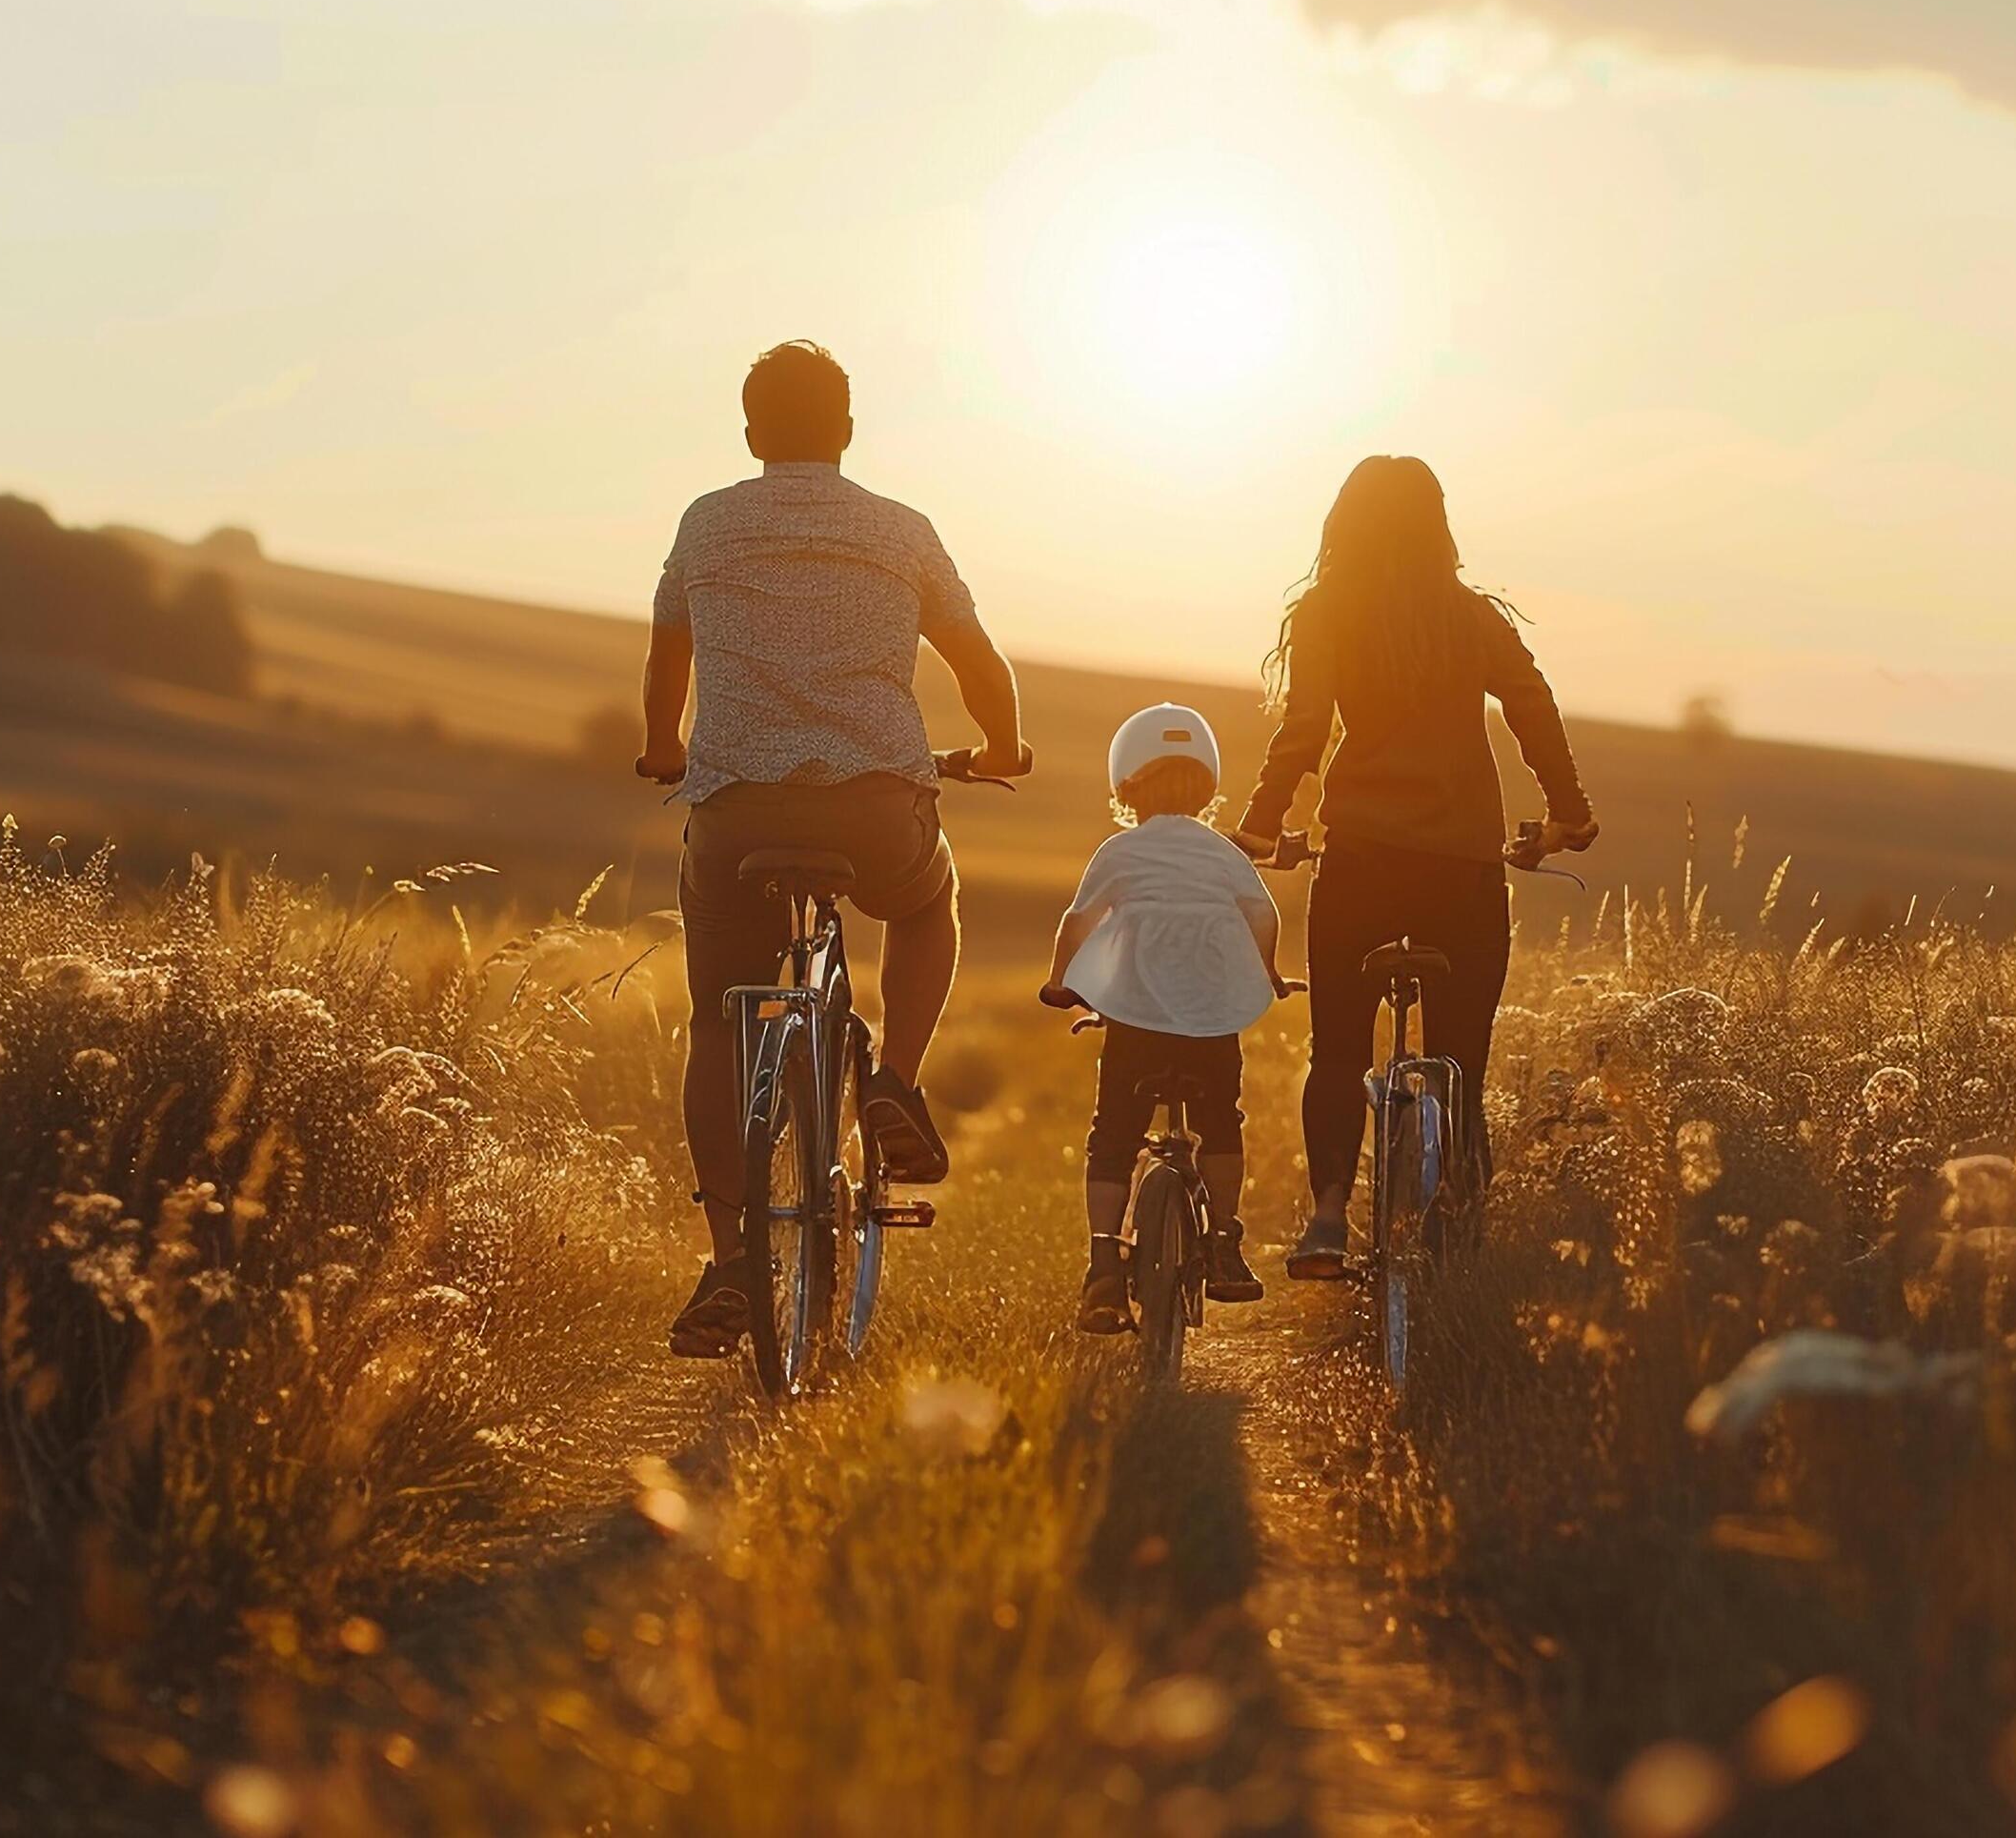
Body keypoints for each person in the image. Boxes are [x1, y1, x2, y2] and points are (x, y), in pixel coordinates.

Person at [638, 340, 1031, 1357]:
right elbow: (980, 661)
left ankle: (730, 1260)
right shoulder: (899, 531)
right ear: (847, 431)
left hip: (739, 819)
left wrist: (659, 746)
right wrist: (1000, 746)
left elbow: (667, 652)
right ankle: (895, 1081)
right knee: (925, 904)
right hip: (874, 809)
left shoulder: (708, 521)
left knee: (719, 1028)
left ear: (752, 432)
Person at [1225, 456, 1595, 1279]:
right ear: (1439, 527)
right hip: (1461, 869)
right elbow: (1532, 700)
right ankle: (1459, 1234)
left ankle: (1326, 1220)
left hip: (1360, 861)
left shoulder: (1328, 612)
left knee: (1338, 1051)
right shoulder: (1471, 618)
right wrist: (1568, 813)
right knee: (1463, 1058)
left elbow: (1305, 726)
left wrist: (1259, 821)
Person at [1040, 703, 1279, 1332]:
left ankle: (1102, 1267)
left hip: (1138, 1024)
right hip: (1211, 1020)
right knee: (1221, 1126)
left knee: (1112, 1137)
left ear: (1126, 782)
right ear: (1206, 785)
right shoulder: (1224, 854)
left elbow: (1078, 921)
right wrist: (1269, 973)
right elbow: (1263, 916)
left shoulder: (1119, 851)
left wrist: (1062, 981)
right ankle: (1226, 1244)